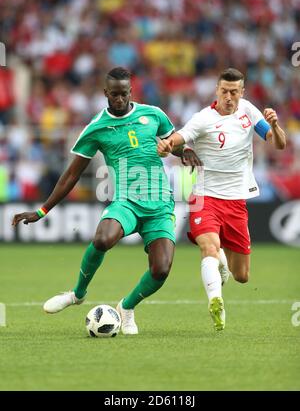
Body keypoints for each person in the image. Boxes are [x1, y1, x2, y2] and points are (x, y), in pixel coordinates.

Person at [12, 67, 180, 335]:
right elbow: (71, 175)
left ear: (130, 91)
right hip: (127, 202)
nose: (120, 99)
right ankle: (77, 294)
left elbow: (176, 142)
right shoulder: (96, 128)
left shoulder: (154, 114)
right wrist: (42, 210)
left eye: (124, 94)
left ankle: (127, 307)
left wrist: (181, 149)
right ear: (105, 93)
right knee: (103, 238)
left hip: (160, 205)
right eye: (114, 94)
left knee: (161, 270)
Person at [157, 67, 286, 331]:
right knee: (209, 247)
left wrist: (274, 125)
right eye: (225, 91)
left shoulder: (249, 111)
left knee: (242, 276)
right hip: (205, 197)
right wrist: (167, 144)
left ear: (242, 92)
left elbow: (279, 144)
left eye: (234, 92)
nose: (229, 97)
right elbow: (179, 138)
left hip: (236, 201)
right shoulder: (203, 118)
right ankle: (216, 301)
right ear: (217, 90)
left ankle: (223, 263)